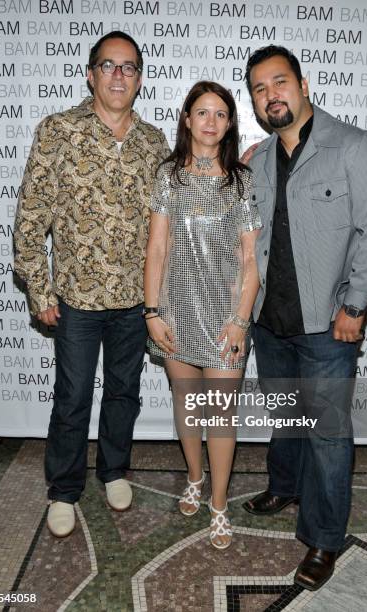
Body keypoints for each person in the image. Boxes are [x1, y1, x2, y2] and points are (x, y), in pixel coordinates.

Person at [242, 46, 367, 589]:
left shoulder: (353, 147)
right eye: (259, 89)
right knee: (285, 417)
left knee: (328, 434)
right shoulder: (258, 160)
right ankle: (284, 486)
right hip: (270, 320)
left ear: (303, 85)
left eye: (279, 82)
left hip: (329, 325)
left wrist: (355, 307)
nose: (271, 95)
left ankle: (325, 539)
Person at [14, 31, 170, 538]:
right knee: (73, 395)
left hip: (135, 301)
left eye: (128, 67)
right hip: (77, 300)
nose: (119, 75)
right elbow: (30, 218)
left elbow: (170, 222)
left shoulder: (155, 143)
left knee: (125, 392)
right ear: (90, 73)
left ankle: (114, 470)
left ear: (140, 79)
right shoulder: (58, 131)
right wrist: (40, 291)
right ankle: (63, 488)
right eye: (109, 65)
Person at [144, 81, 261, 550]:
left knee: (221, 414)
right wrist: (152, 311)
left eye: (220, 113)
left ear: (229, 123)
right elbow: (156, 247)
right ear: (187, 119)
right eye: (202, 112)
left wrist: (240, 320)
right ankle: (194, 477)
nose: (210, 121)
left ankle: (218, 504)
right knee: (187, 404)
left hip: (225, 316)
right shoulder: (167, 176)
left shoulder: (242, 181)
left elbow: (252, 260)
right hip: (174, 310)